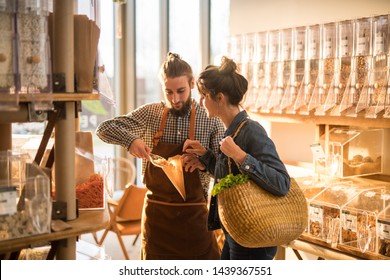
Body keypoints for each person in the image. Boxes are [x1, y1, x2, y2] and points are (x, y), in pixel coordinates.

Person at [96, 52, 224, 260]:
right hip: (158, 221)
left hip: (195, 220)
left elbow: (224, 168)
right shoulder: (150, 114)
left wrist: (204, 162)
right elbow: (104, 128)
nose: (175, 99)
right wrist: (131, 140)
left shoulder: (209, 118)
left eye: (181, 91)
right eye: (169, 92)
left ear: (192, 84)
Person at [182, 56, 291, 260]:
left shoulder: (251, 130)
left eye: (204, 95)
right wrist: (205, 156)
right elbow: (233, 178)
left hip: (254, 237)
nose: (200, 101)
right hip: (237, 231)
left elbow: (282, 183)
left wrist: (241, 156)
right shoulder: (230, 131)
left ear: (220, 98)